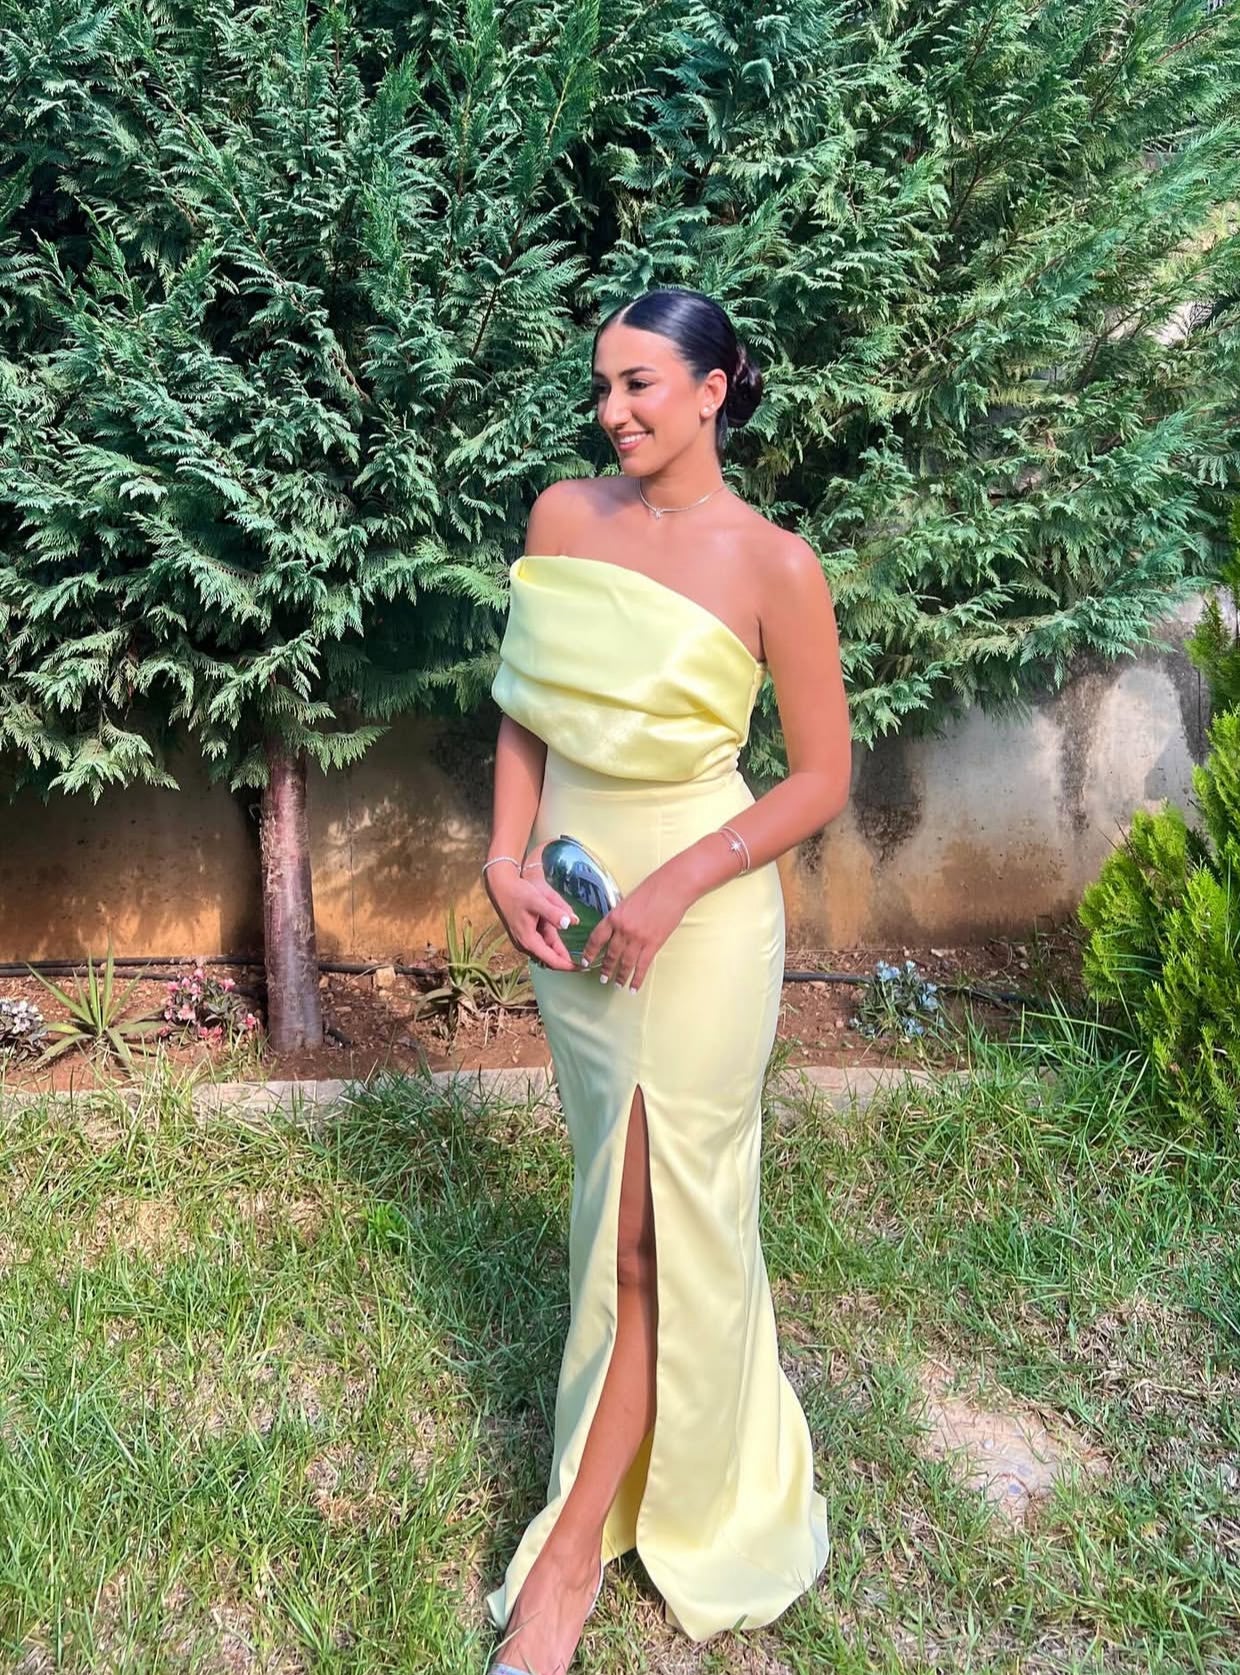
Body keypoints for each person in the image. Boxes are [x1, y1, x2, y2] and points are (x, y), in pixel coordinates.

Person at [481, 288, 852, 1675]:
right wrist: (503, 859)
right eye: (603, 386)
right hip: (577, 921)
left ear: (713, 386)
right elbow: (525, 713)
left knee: (657, 1224)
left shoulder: (774, 564)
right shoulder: (562, 520)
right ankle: (664, 1461)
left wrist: (682, 881)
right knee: (614, 1204)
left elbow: (821, 777)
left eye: (640, 383)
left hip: (698, 928)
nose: (613, 412)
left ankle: (571, 1560)